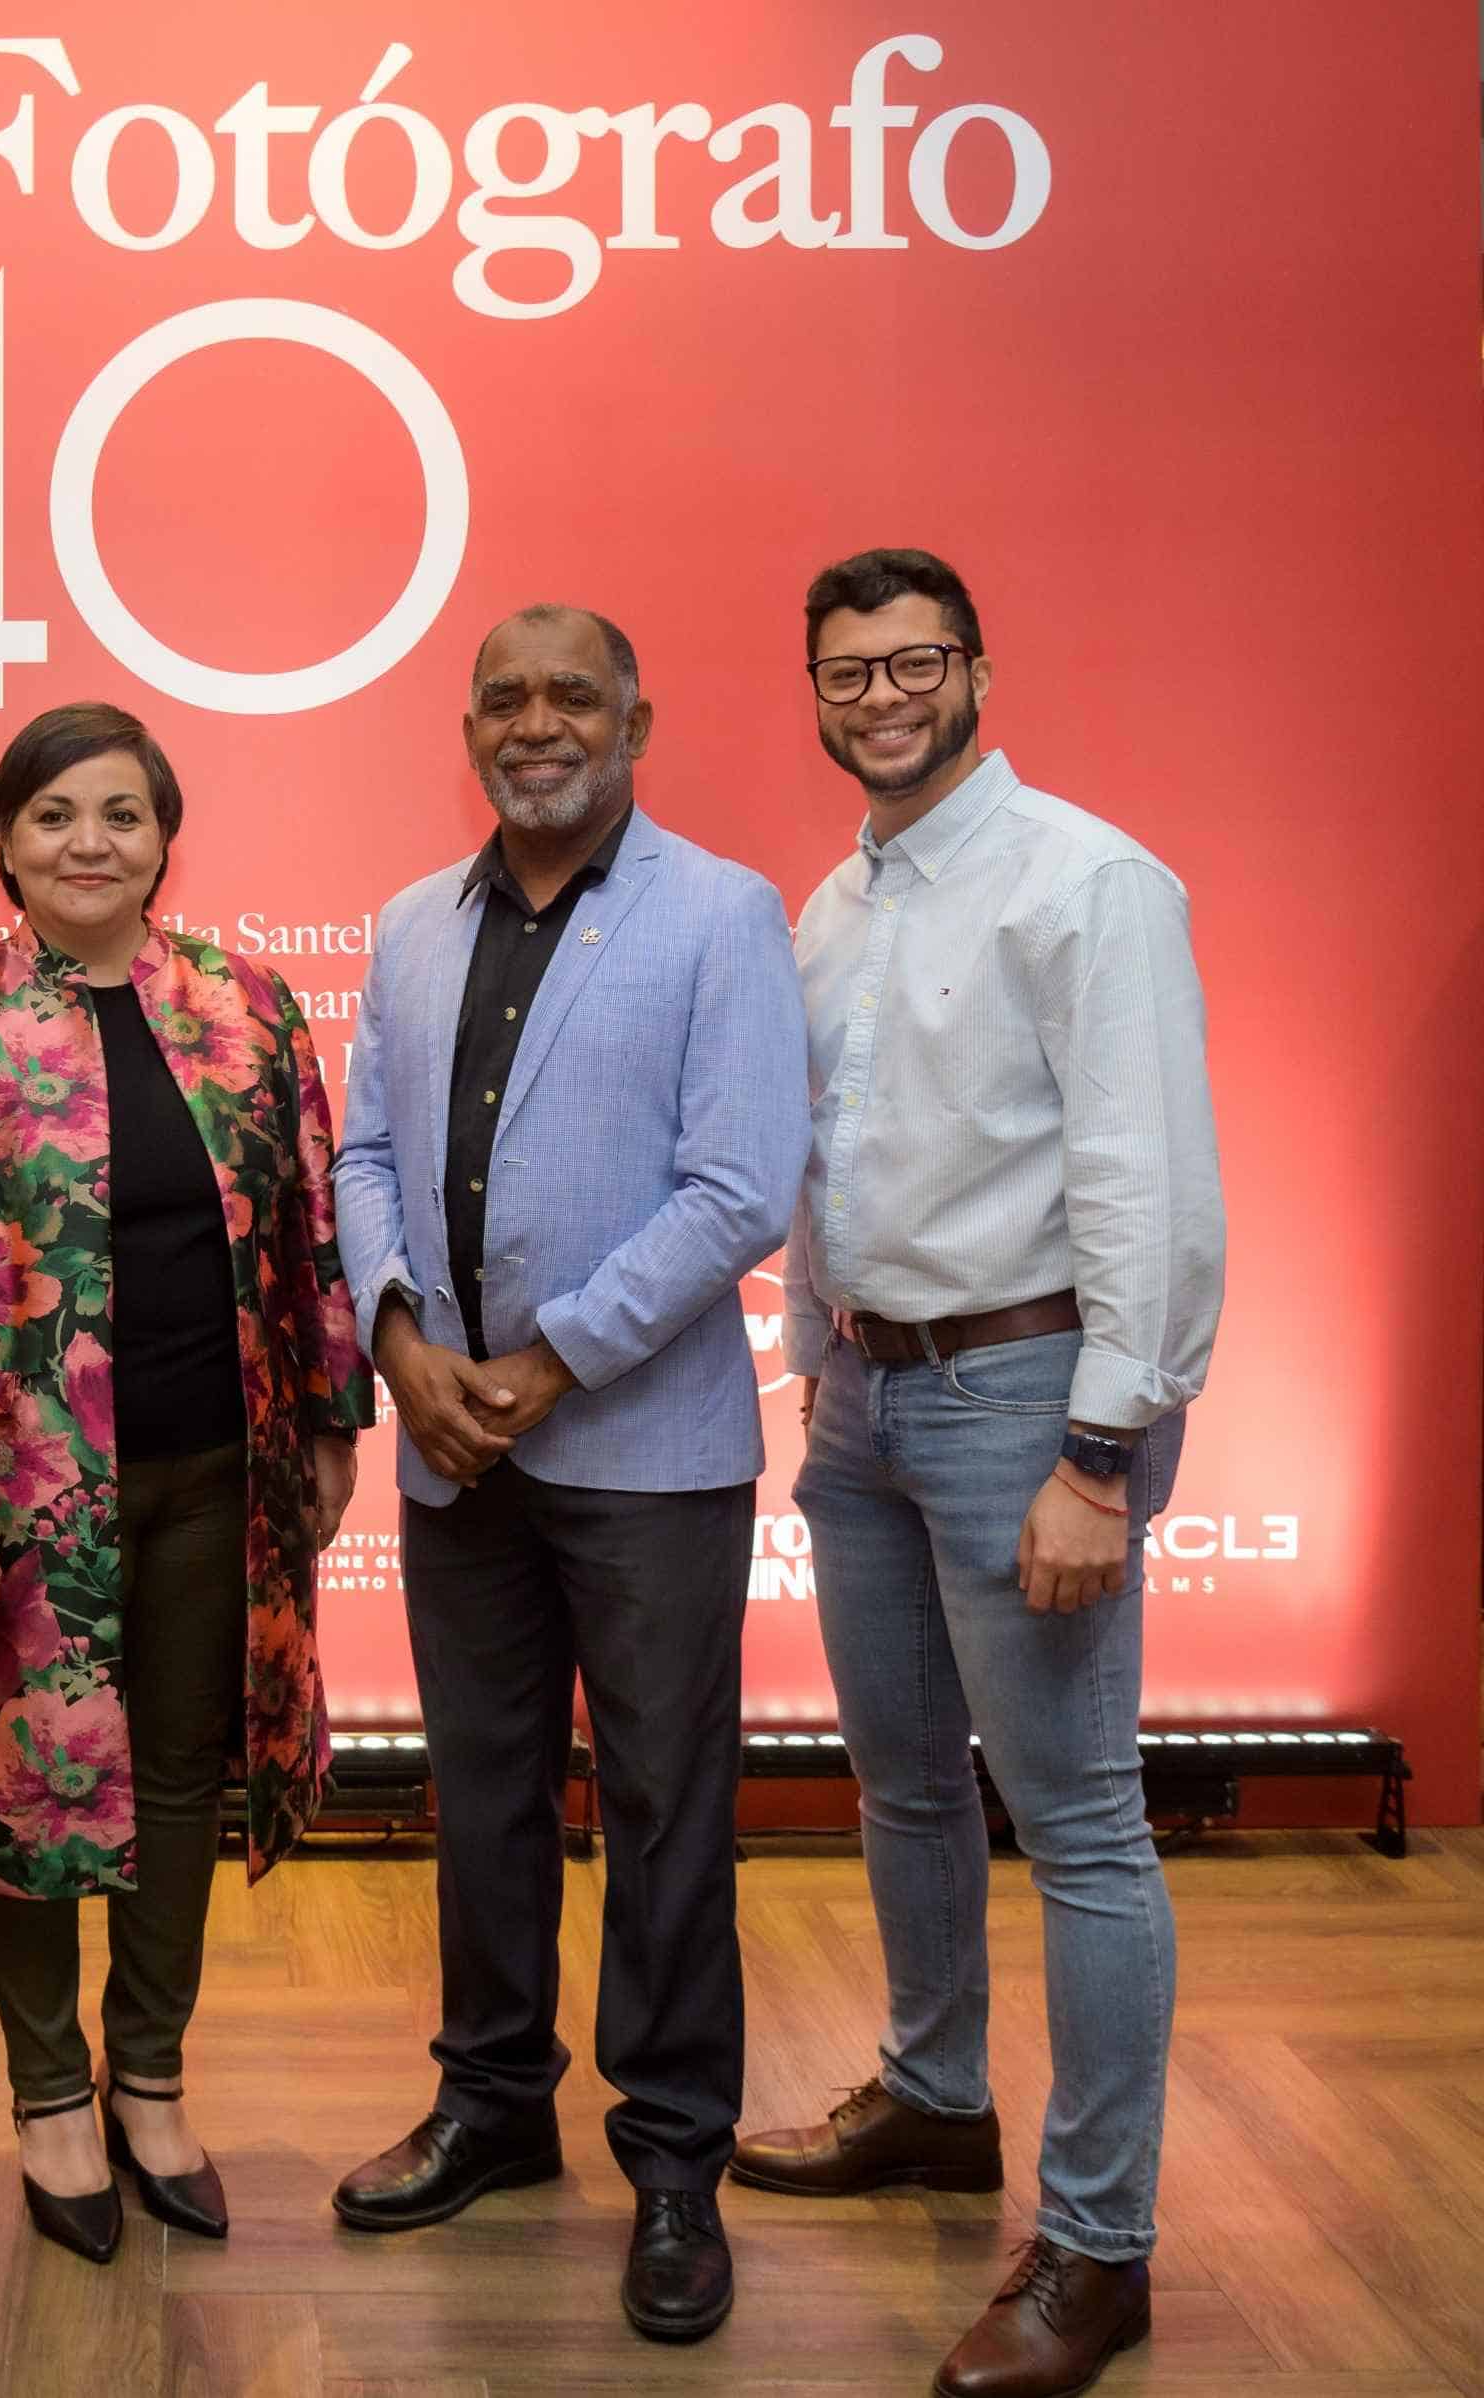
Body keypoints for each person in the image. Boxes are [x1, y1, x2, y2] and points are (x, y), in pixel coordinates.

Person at [732, 548, 1225, 2398]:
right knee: (900, 1787)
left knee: (1080, 1826)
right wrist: (814, 1369)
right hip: (866, 1396)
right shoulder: (834, 905)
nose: (880, 695)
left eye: (913, 661)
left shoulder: (1086, 881)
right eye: (845, 670)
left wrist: (1102, 1450)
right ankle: (938, 2099)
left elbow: (1149, 1182)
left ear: (978, 668)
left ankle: (1101, 2246)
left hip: (1028, 1399)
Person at [329, 604, 809, 2343]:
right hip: (457, 1448)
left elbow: (742, 1183)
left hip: (644, 1452)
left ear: (636, 719)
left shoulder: (721, 911)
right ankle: (494, 2101)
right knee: (484, 1793)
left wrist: (549, 1358)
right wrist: (400, 1346)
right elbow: (365, 1148)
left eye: (573, 696)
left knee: (671, 1807)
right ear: (472, 725)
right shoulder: (407, 924)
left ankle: (677, 2158)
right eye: (507, 697)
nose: (538, 723)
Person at [0, 701, 370, 2261]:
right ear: (3, 842)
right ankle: (51, 2095)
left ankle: (151, 2076)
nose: (91, 842)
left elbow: (310, 1231)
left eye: (122, 815)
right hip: (15, 1490)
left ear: (166, 836)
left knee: (179, 1767)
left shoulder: (246, 1002)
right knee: (28, 1781)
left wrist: (332, 1419)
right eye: (56, 815)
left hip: (221, 1466)